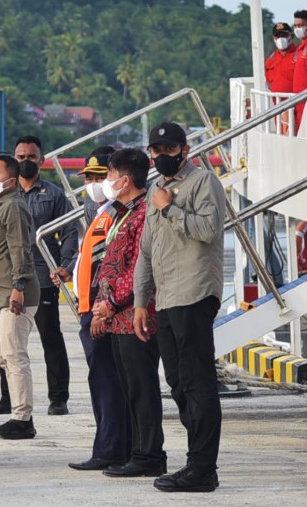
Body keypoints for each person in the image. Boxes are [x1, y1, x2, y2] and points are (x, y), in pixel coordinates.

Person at [134, 122, 226, 493]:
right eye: (155, 151)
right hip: (166, 298)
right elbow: (146, 251)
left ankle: (203, 468)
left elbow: (210, 229)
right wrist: (142, 301)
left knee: (197, 381)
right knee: (176, 384)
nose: (160, 157)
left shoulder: (204, 182)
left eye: (167, 150)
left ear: (183, 150)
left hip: (195, 292)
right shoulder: (155, 190)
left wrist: (170, 209)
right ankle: (196, 461)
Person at [91, 148, 165, 479]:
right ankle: (138, 451)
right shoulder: (125, 211)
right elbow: (111, 261)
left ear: (125, 179)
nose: (106, 182)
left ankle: (149, 454)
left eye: (109, 176)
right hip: (117, 318)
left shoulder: (144, 213)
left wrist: (110, 303)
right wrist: (101, 304)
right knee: (130, 388)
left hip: (136, 315)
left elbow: (139, 267)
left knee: (142, 387)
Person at [0, 136, 77, 417]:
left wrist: (65, 265)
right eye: (21, 156)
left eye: (31, 157)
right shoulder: (2, 197)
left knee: (50, 337)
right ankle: (8, 397)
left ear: (42, 161)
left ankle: (58, 398)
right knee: (7, 343)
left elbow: (68, 231)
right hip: (6, 279)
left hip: (42, 276)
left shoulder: (53, 195)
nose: (26, 161)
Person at [65, 149, 132, 472]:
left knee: (107, 383)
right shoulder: (102, 212)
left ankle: (110, 449)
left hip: (102, 312)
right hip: (90, 309)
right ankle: (111, 446)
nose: (91, 184)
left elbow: (111, 266)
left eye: (97, 177)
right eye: (88, 178)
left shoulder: (115, 214)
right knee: (103, 382)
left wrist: (100, 311)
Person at [0, 155, 40, 440]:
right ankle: (17, 413)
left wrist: (19, 285)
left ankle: (22, 418)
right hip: (0, 291)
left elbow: (21, 250)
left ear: (12, 180)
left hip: (16, 292)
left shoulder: (14, 207)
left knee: (15, 356)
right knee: (3, 356)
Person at [265, 23, 297, 94]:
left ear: (291, 36)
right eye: (278, 36)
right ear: (273, 39)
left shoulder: (300, 55)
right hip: (275, 101)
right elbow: (268, 82)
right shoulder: (270, 59)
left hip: (296, 100)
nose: (281, 39)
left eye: (284, 35)